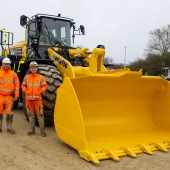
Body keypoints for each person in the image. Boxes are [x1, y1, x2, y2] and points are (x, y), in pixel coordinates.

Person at [21, 61, 48, 137]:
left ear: (37, 68)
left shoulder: (41, 77)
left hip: (37, 100)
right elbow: (23, 85)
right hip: (28, 100)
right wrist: (25, 91)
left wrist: (41, 91)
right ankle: (31, 130)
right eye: (32, 67)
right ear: (30, 68)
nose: (33, 69)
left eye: (34, 67)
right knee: (31, 115)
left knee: (40, 115)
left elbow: (45, 86)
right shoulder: (26, 77)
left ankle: (42, 131)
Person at [0, 58, 20, 134]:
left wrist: (17, 94)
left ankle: (9, 128)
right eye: (5, 64)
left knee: (9, 113)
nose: (6, 65)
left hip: (9, 97)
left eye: (7, 64)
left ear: (9, 65)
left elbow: (17, 85)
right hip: (0, 96)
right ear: (2, 64)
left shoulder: (13, 74)